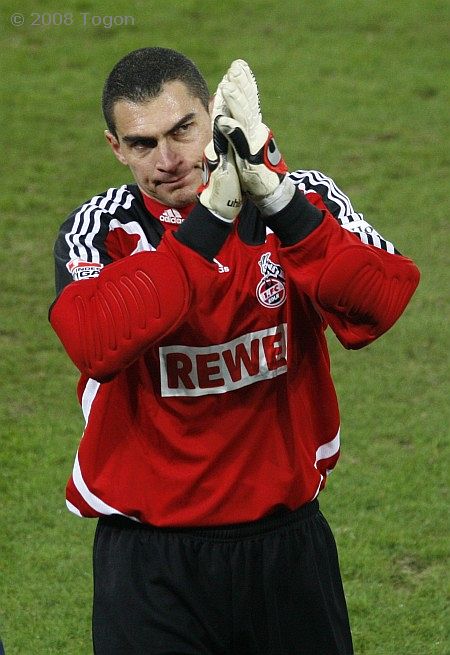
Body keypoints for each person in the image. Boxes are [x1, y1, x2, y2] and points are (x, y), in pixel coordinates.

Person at [50, 47, 420, 655]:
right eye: (143, 144)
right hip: (149, 565)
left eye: (182, 130)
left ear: (214, 115)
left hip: (286, 549)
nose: (168, 160)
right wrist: (210, 222)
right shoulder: (102, 229)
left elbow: (378, 305)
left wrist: (278, 202)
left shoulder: (299, 200)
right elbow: (96, 341)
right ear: (116, 148)